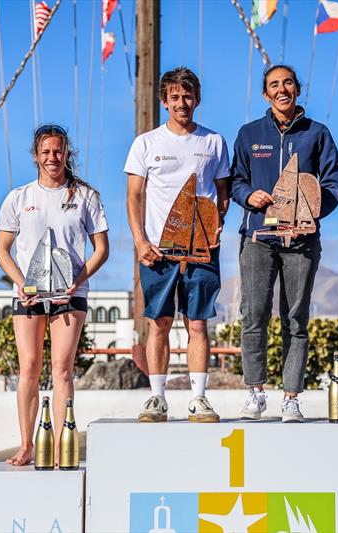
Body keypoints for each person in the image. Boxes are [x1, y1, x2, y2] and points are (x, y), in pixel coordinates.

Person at [230, 65, 338, 422]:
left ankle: (291, 398)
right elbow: (235, 181)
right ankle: (255, 392)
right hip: (258, 239)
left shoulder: (317, 134)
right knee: (254, 314)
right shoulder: (249, 134)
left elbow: (334, 185)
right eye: (274, 85)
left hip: (302, 242)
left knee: (295, 318)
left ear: (297, 90)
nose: (282, 90)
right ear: (265, 94)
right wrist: (250, 197)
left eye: (288, 83)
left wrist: (308, 215)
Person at [0, 124, 109, 466]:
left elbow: (101, 249)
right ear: (35, 156)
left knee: (61, 369)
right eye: (45, 152)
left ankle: (61, 446)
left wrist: (79, 278)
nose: (52, 158)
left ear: (66, 154)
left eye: (57, 151)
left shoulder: (85, 196)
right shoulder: (19, 197)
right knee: (28, 367)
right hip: (29, 296)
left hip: (70, 294)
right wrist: (21, 283)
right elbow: (2, 249)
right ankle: (27, 445)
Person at [125, 67, 230, 423]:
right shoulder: (146, 143)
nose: (181, 103)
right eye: (174, 97)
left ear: (197, 99)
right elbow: (134, 196)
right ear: (164, 101)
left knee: (198, 323)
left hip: (202, 250)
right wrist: (140, 241)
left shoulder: (213, 142)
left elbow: (223, 194)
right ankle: (157, 398)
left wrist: (217, 227)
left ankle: (199, 399)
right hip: (157, 250)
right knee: (159, 323)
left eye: (187, 96)